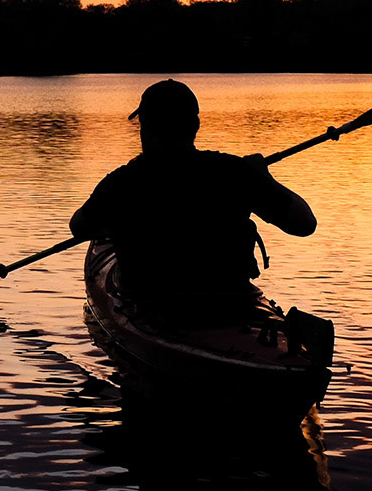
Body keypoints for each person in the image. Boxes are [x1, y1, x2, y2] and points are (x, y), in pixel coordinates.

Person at [70, 80, 316, 323]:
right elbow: (304, 224)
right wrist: (265, 179)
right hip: (229, 303)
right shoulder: (234, 173)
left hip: (152, 304)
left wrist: (116, 221)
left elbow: (78, 227)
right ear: (196, 125)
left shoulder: (121, 183)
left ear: (145, 127)